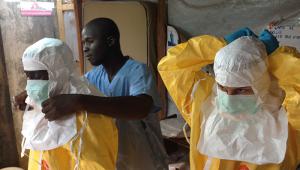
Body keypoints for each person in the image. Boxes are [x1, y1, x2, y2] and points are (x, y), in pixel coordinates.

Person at [15, 18, 168, 170]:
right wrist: (32, 92)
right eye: (83, 44)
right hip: (115, 153)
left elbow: (141, 107)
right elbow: (66, 86)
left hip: (143, 152)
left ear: (110, 41)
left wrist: (80, 101)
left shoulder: (138, 71)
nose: (85, 48)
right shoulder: (93, 76)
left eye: (89, 41)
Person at [158, 28, 300, 170]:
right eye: (223, 88)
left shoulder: (288, 118)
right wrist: (219, 45)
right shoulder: (205, 107)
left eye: (241, 90)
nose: (229, 99)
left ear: (261, 84)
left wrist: (277, 59)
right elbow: (171, 67)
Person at [20, 38, 118, 170]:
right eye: (28, 76)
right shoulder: (39, 108)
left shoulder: (86, 118)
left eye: (37, 76)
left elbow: (96, 165)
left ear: (58, 73)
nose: (31, 85)